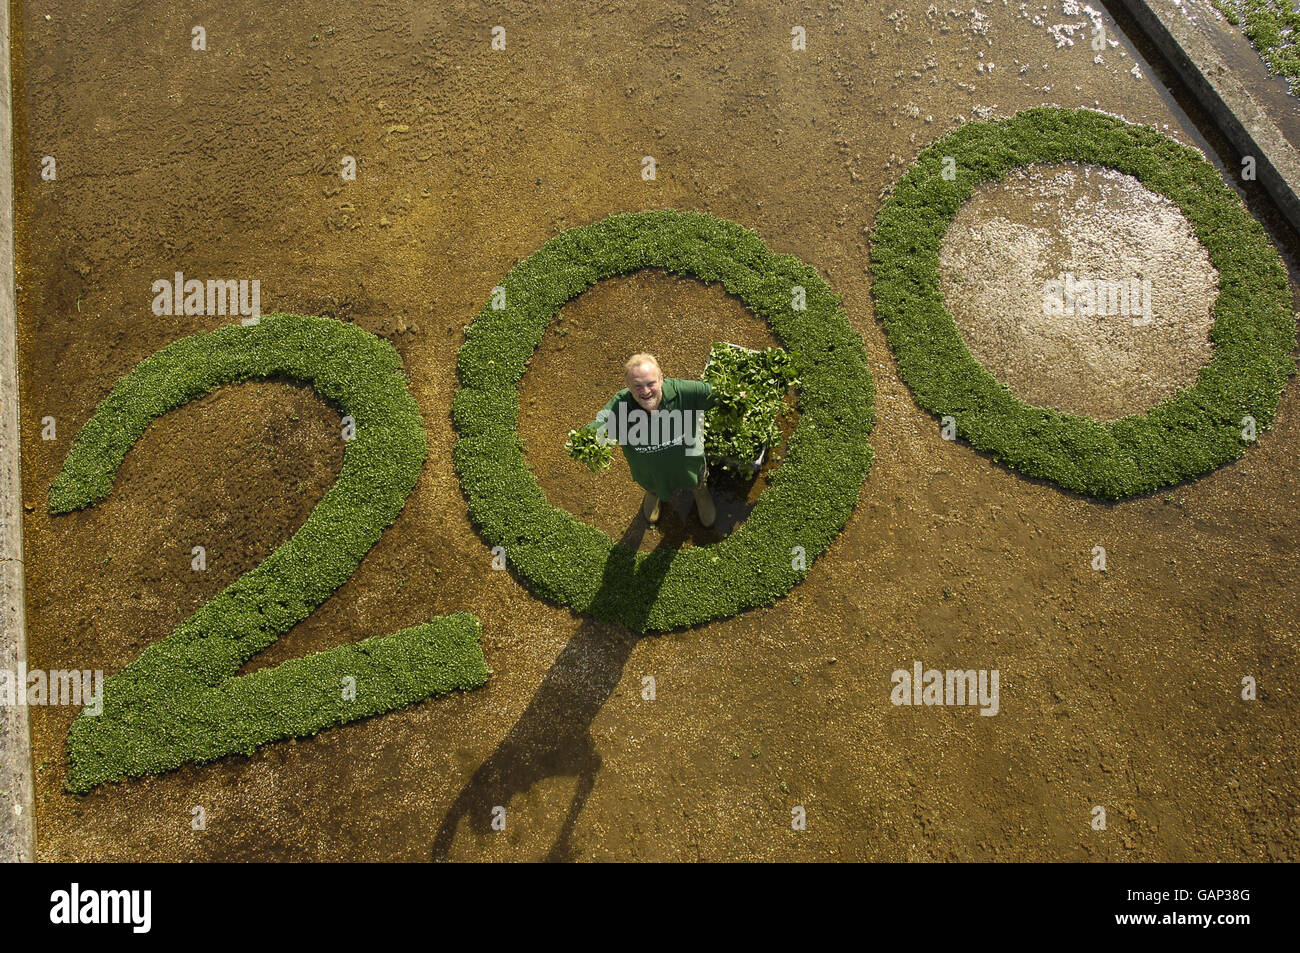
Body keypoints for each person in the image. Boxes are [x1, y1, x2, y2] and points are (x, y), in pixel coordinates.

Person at [587, 352, 718, 527]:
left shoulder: (683, 392)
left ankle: (701, 493)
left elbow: (717, 394)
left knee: (697, 479)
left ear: (661, 379)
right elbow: (599, 425)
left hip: (689, 461)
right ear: (628, 386)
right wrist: (588, 442)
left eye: (651, 383)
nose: (646, 391)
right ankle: (654, 493)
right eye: (638, 386)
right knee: (653, 483)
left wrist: (739, 396)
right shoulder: (621, 406)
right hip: (649, 469)